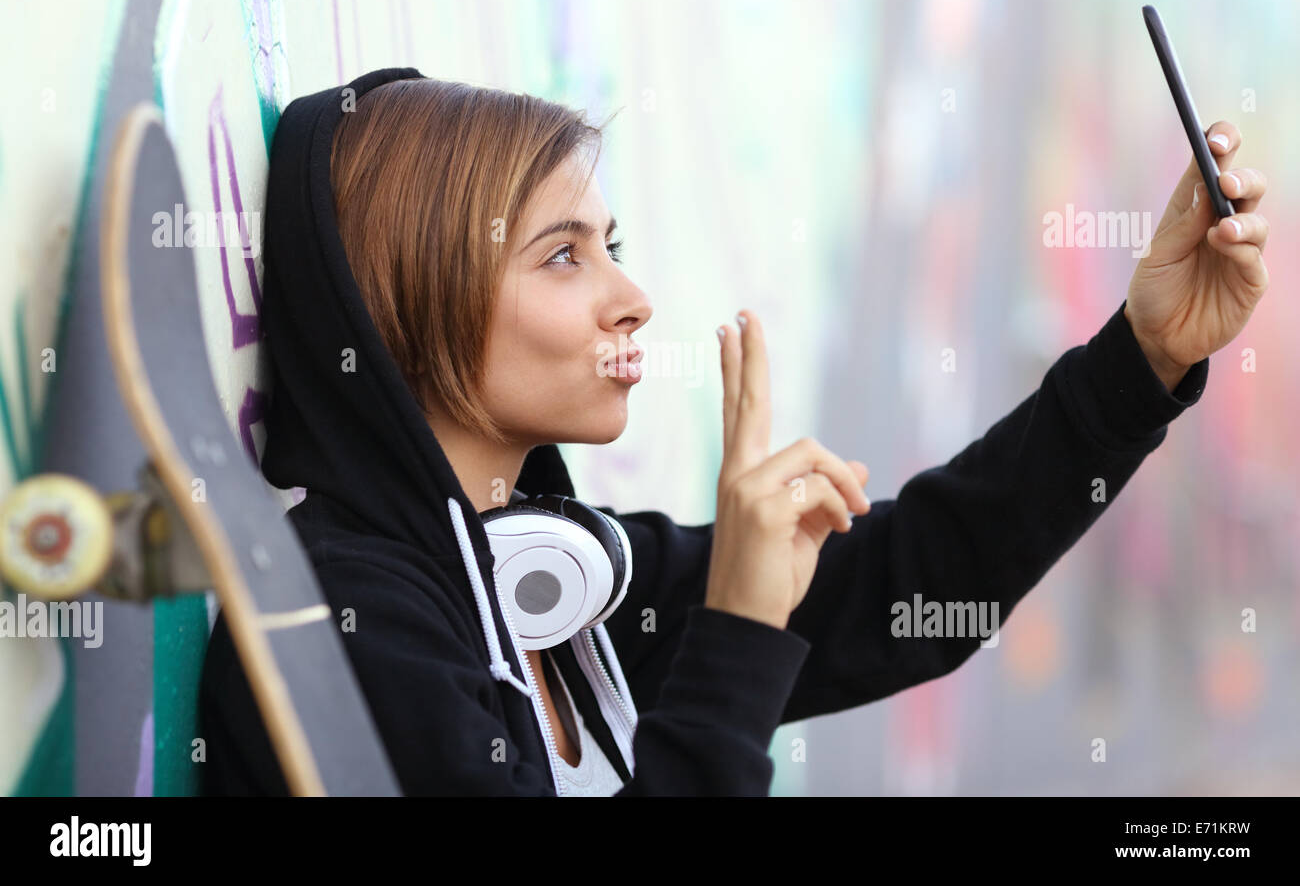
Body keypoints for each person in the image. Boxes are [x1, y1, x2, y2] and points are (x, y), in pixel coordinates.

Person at [198, 66, 1269, 796]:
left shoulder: (550, 580)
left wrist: (1144, 357)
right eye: (564, 255)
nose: (632, 297)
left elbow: (920, 582)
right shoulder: (348, 618)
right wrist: (742, 620)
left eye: (610, 243)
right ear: (407, 294)